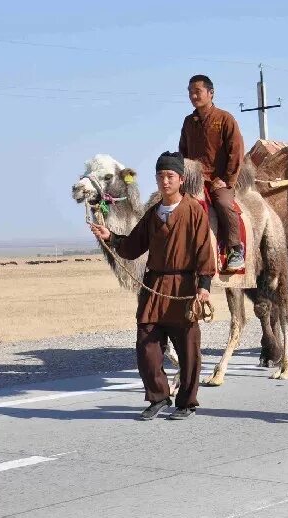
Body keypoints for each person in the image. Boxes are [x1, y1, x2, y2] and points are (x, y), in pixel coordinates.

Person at [90, 152, 216, 420]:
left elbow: (205, 250)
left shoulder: (194, 210)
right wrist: (110, 237)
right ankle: (158, 397)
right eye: (160, 176)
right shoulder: (152, 214)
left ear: (180, 179)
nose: (164, 181)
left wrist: (204, 286)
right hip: (154, 286)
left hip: (184, 287)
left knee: (188, 348)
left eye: (170, 176)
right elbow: (134, 246)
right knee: (146, 343)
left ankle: (186, 402)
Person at [178, 74, 246, 271]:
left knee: (224, 204)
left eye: (197, 91)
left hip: (219, 181)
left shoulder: (225, 119)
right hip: (193, 181)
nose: (193, 96)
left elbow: (237, 151)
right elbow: (183, 152)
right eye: (190, 92)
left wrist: (226, 180)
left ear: (211, 93)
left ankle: (235, 250)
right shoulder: (188, 122)